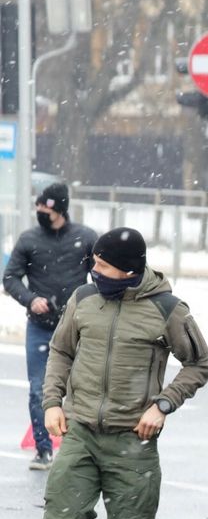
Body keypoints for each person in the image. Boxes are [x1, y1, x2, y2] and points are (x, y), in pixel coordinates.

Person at [39, 227, 208, 519]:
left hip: (133, 443)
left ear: (128, 269)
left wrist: (163, 404)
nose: (94, 271)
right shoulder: (83, 300)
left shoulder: (167, 310)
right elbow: (60, 353)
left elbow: (198, 364)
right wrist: (52, 403)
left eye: (102, 265)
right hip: (80, 433)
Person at [3, 183, 97, 470]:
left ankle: (76, 449)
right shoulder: (29, 240)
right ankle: (43, 448)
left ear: (60, 209)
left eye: (46, 207)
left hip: (77, 328)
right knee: (39, 389)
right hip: (41, 328)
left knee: (82, 389)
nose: (40, 211)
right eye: (38, 206)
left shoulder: (85, 238)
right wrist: (31, 300)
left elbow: (103, 272)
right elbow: (10, 278)